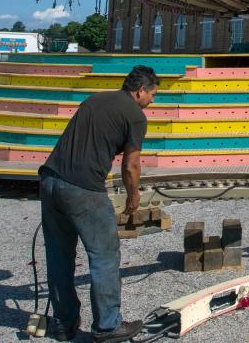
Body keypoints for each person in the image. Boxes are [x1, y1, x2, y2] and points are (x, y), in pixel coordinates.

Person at [38, 65, 159, 343]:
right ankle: (107, 327)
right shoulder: (135, 116)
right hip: (83, 189)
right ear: (140, 90)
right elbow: (131, 166)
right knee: (104, 256)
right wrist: (133, 196)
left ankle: (64, 324)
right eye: (152, 94)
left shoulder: (95, 99)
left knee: (58, 257)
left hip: (50, 180)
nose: (153, 100)